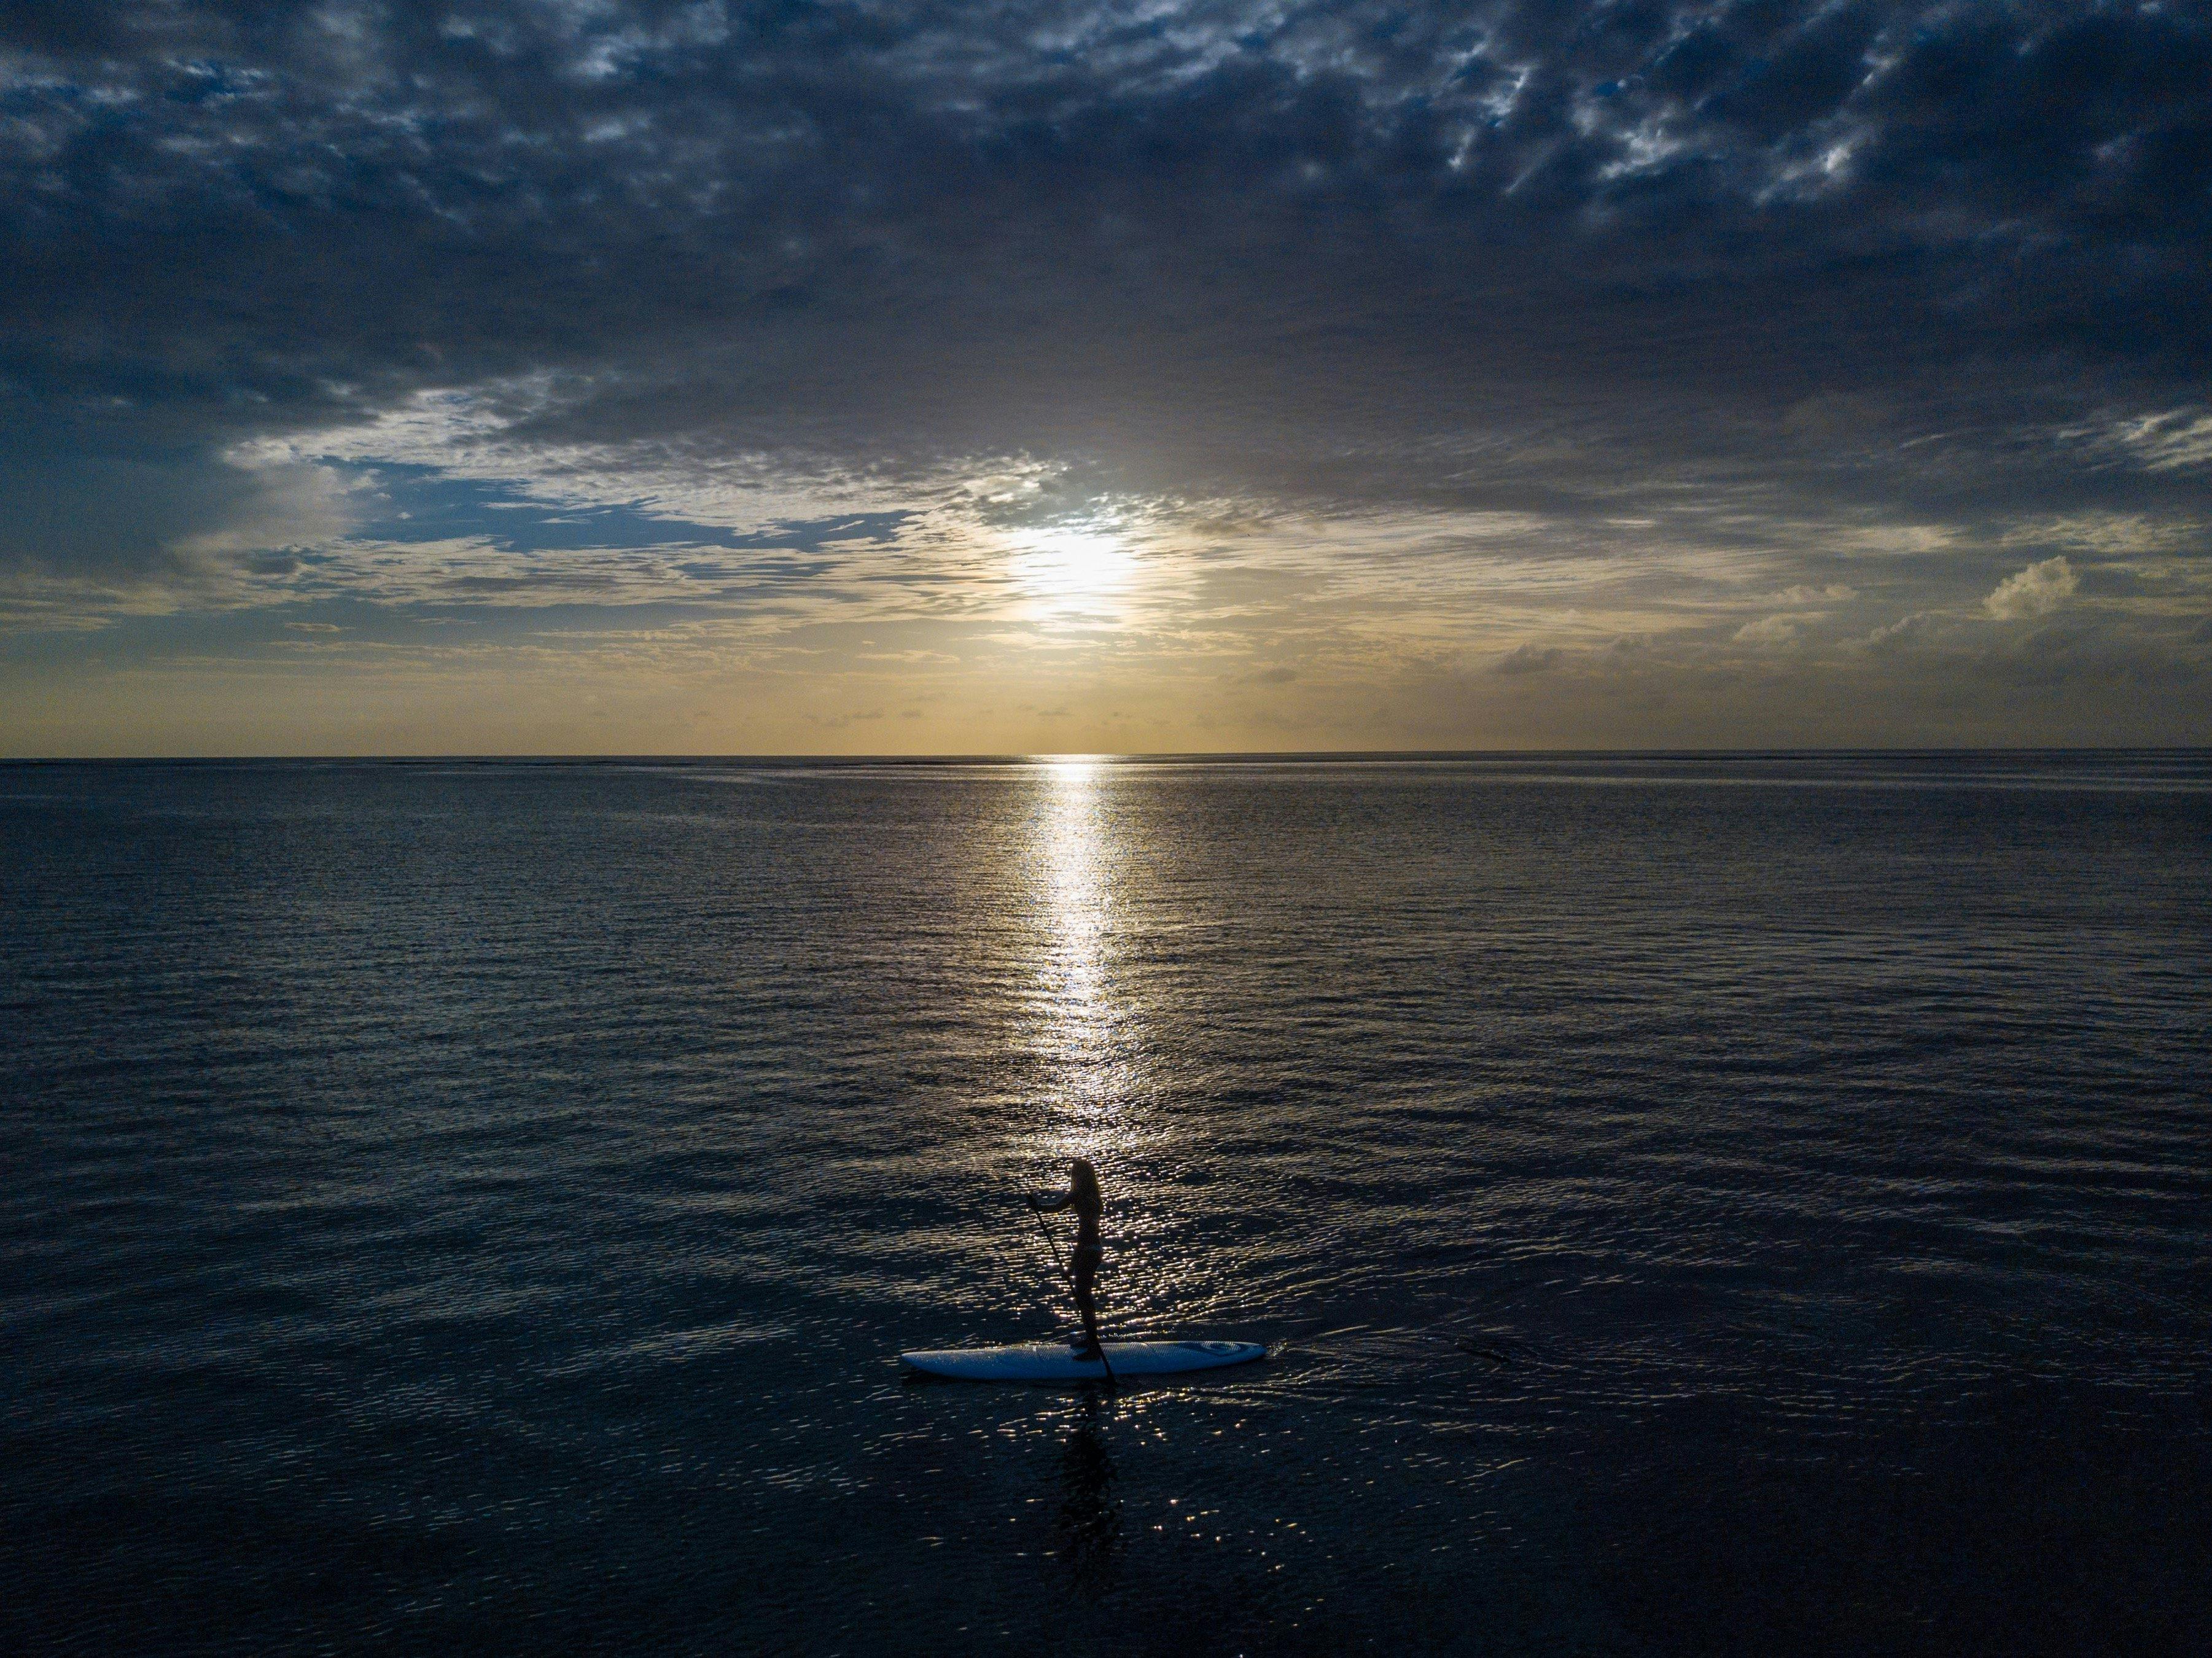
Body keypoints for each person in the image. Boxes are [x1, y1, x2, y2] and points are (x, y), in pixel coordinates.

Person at [1027, 1157, 1105, 1359]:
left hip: (1087, 1251)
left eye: (1074, 1173)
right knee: (1084, 1298)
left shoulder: (1079, 1195)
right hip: (1095, 1249)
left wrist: (1037, 1207)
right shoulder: (1095, 1197)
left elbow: (1056, 1209)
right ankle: (1091, 1340)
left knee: (1084, 1299)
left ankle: (1094, 1349)